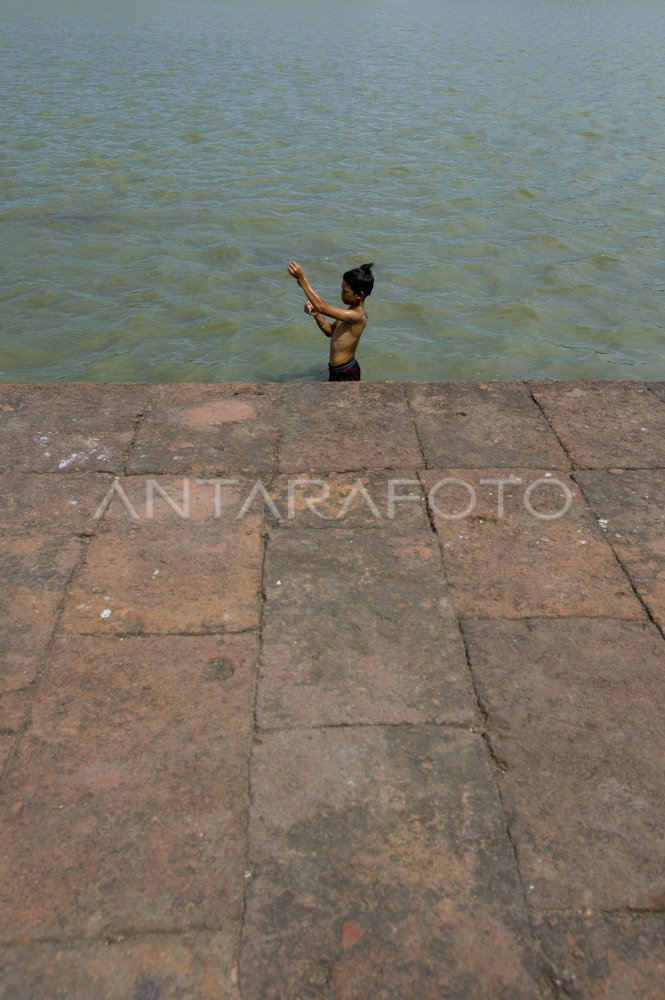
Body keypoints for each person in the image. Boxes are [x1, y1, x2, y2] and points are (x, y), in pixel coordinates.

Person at [287, 261, 374, 381]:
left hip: (346, 372)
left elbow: (321, 307)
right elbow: (331, 332)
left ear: (359, 295)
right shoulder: (349, 312)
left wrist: (302, 278)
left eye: (345, 291)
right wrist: (315, 314)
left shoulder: (357, 316)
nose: (341, 293)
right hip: (337, 369)